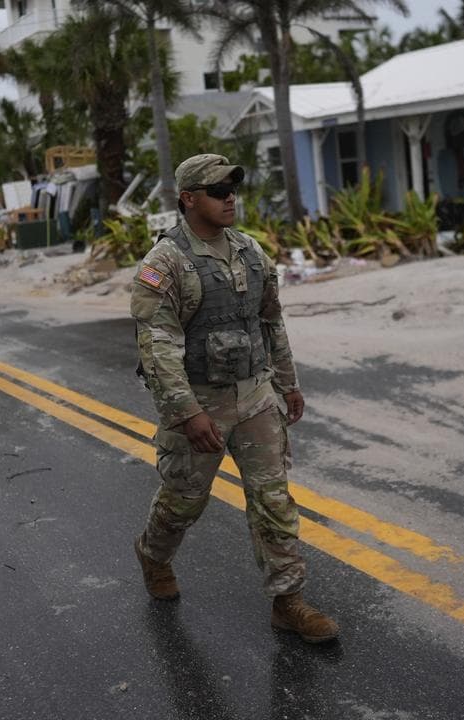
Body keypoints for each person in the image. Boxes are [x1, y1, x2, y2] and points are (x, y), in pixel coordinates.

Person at [130, 153, 338, 644]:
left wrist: (287, 382)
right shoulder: (165, 264)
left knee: (273, 499)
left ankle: (288, 602)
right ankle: (153, 554)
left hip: (255, 395)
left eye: (233, 189)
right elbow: (157, 348)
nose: (230, 198)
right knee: (184, 500)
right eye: (218, 190)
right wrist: (187, 413)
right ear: (188, 199)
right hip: (200, 401)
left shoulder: (250, 251)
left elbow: (270, 321)